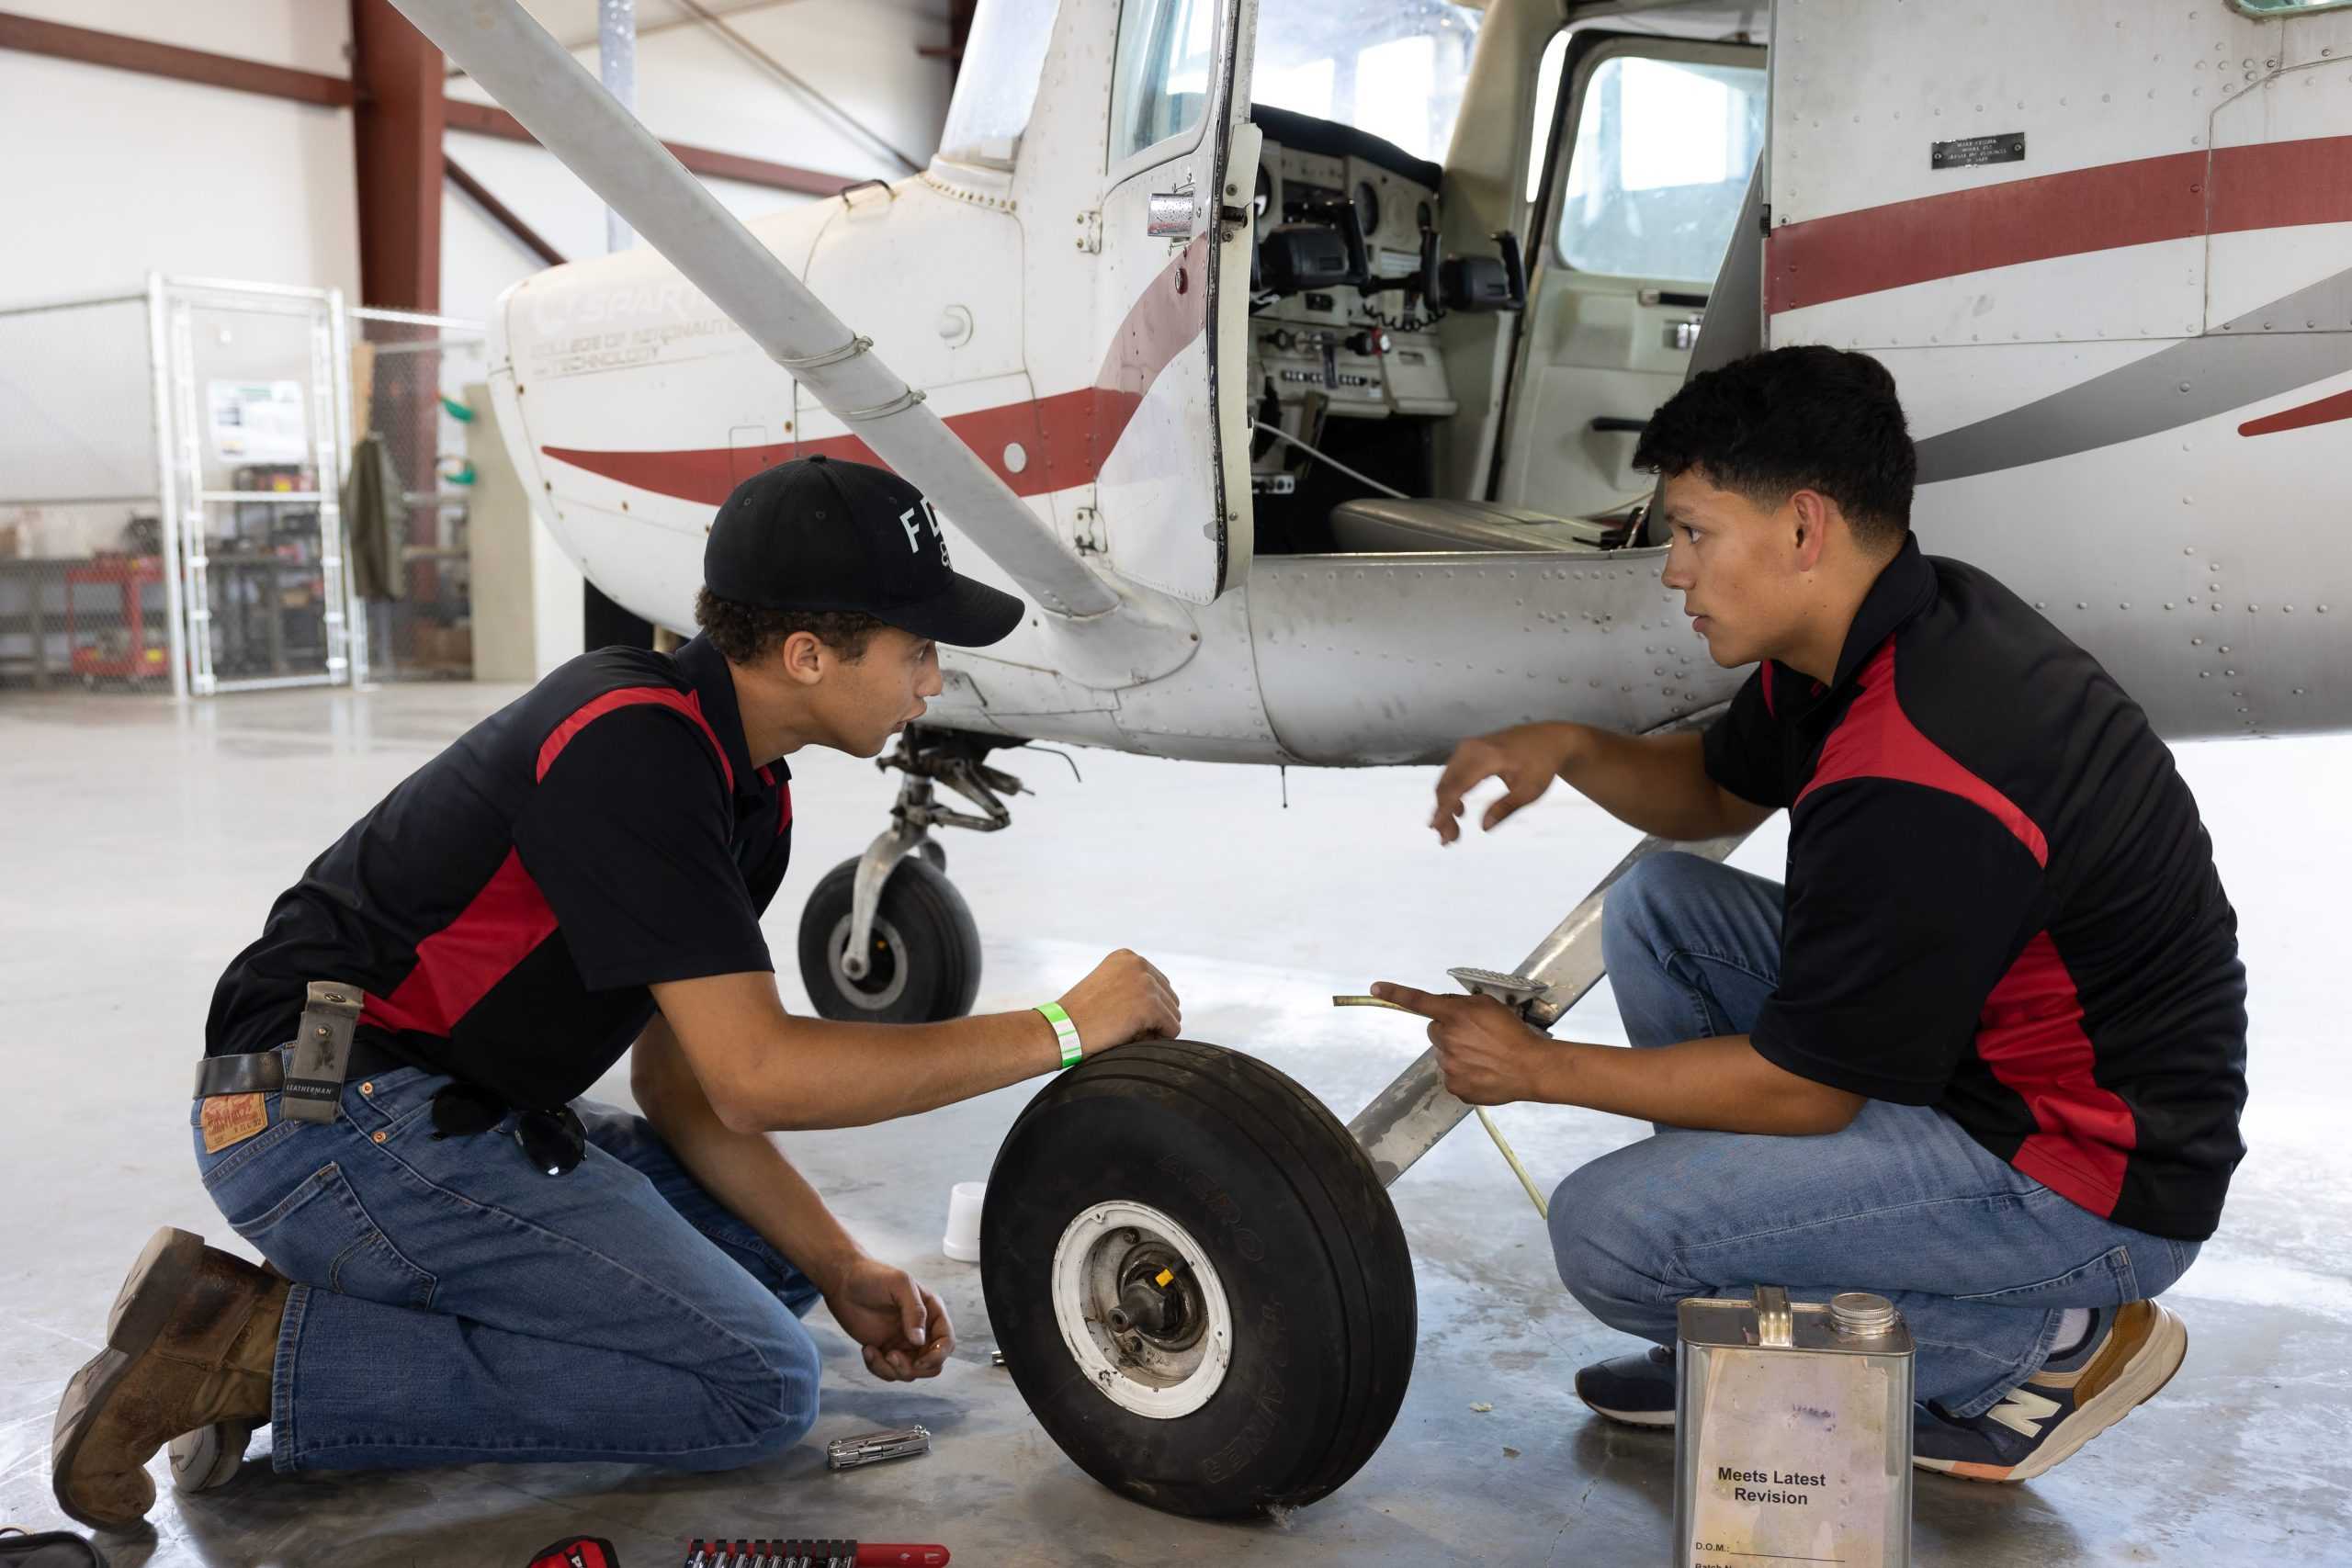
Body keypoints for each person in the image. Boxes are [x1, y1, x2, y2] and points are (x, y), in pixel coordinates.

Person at [51, 455, 1182, 1530]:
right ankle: (247, 1354)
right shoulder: (630, 747)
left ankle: (334, 1327)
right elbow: (761, 1075)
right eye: (915, 647)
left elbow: (691, 1091)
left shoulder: (743, 791)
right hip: (319, 1124)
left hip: (436, 1111)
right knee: (752, 1388)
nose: (933, 679)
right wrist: (1059, 1030)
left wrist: (839, 1265)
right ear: (805, 654)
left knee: (779, 1260)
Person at [1374, 346, 2245, 1483]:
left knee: (1607, 1235)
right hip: (1993, 1069)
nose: (1673, 572)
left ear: (1800, 529)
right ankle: (1748, 1315)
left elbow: (1805, 1087)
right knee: (1660, 906)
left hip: (2086, 1179)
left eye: (1692, 532)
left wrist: (1538, 1067)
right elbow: (1710, 795)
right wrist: (1572, 748)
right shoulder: (1879, 631)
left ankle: (2024, 1349)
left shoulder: (1918, 764)